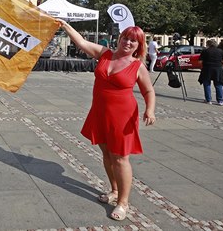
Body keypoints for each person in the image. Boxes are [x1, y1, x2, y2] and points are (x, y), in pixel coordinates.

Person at [57, 19, 156, 221]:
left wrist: (150, 110)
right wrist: (65, 26)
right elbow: (82, 43)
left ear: (139, 46)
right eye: (125, 38)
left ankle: (123, 202)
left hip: (123, 116)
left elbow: (148, 90)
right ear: (120, 38)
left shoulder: (137, 65)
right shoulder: (105, 53)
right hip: (100, 112)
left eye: (133, 41)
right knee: (107, 154)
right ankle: (114, 190)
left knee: (120, 158)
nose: (128, 43)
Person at [198, 39, 223, 105]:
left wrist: (202, 67)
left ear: (208, 44)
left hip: (207, 69)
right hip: (218, 69)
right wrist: (221, 67)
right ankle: (220, 101)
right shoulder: (220, 51)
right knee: (218, 85)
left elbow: (200, 61)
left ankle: (208, 100)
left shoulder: (205, 51)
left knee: (207, 84)